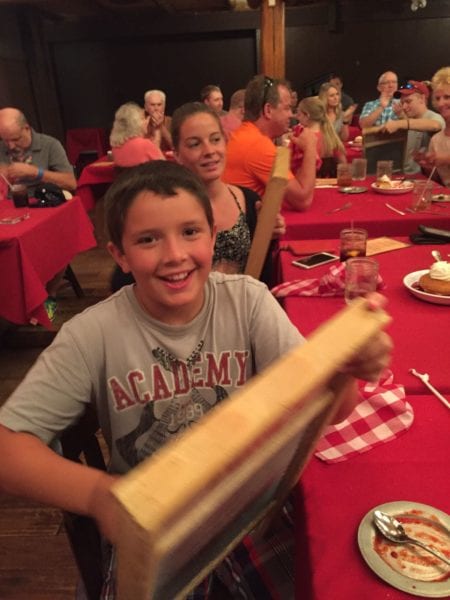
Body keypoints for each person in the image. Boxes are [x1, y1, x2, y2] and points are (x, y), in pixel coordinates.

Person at [0, 160, 392, 599]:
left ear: (212, 235)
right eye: (148, 240)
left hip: (248, 509)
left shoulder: (247, 302)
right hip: (153, 530)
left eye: (190, 232)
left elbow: (329, 410)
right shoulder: (91, 334)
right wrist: (99, 496)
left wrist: (347, 370)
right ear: (120, 255)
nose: (174, 255)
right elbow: (7, 450)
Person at [110, 102, 284, 291]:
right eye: (195, 144)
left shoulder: (248, 200)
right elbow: (128, 276)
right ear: (176, 154)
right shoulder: (162, 209)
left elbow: (262, 274)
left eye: (215, 139)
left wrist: (268, 233)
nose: (209, 151)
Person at [223, 74, 317, 212]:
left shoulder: (248, 135)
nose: (291, 115)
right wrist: (310, 147)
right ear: (268, 110)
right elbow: (302, 200)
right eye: (287, 108)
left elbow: (289, 187)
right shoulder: (257, 145)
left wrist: (290, 152)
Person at [0, 107, 76, 192]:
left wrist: (36, 172)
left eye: (16, 139)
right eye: (6, 140)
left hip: (42, 200)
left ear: (26, 129)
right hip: (10, 201)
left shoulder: (50, 144)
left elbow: (71, 183)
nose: (11, 146)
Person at [380, 80, 444, 174]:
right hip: (405, 177)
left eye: (408, 101)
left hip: (424, 180)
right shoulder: (409, 119)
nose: (404, 107)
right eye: (402, 103)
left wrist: (398, 124)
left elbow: (436, 125)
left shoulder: (434, 117)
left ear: (422, 99)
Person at [292, 96, 346, 177]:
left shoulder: (302, 137)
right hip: (329, 184)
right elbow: (343, 165)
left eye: (299, 114)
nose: (297, 117)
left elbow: (292, 167)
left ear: (307, 115)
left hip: (307, 184)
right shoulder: (331, 136)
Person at [416, 67, 450, 186]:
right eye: (437, 98)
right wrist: (427, 166)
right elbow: (437, 180)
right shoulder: (436, 140)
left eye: (447, 97)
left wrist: (447, 159)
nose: (441, 103)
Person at [110, 102, 164, 167]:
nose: (147, 121)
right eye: (143, 118)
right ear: (136, 123)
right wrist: (157, 130)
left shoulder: (115, 146)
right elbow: (165, 167)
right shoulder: (145, 144)